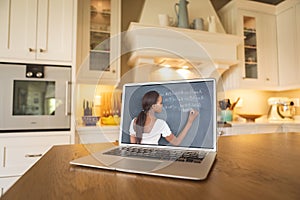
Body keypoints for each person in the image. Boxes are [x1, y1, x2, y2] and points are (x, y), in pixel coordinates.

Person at [129, 90, 199, 145]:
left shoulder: (134, 121)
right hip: (153, 159)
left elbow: (133, 147)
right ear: (154, 106)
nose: (162, 105)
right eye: (161, 103)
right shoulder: (160, 124)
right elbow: (176, 142)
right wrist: (190, 121)